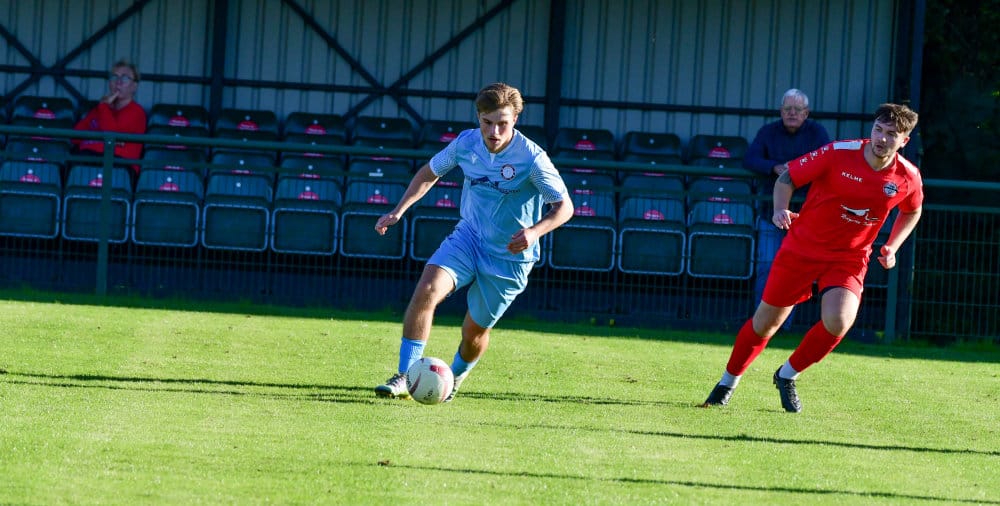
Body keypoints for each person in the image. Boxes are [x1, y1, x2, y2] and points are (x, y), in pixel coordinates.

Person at [702, 103, 922, 412]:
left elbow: (912, 210)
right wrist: (780, 209)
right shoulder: (838, 152)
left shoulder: (908, 176)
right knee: (765, 324)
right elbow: (786, 178)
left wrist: (893, 246)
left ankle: (787, 375)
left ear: (904, 141)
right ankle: (728, 382)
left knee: (839, 322)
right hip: (802, 248)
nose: (882, 138)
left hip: (848, 258)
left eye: (891, 134)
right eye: (878, 129)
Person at [373, 82, 574, 402]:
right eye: (487, 122)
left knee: (473, 333)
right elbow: (429, 172)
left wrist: (534, 232)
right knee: (427, 289)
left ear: (515, 120)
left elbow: (564, 207)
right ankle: (405, 375)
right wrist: (398, 210)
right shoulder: (466, 143)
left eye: (502, 123)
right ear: (478, 117)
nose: (494, 131)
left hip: (509, 257)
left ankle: (454, 377)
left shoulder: (532, 158)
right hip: (468, 238)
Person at [744, 89, 830, 326]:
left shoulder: (817, 133)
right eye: (788, 109)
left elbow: (828, 162)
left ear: (806, 113)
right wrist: (774, 167)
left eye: (797, 110)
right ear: (781, 111)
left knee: (796, 271)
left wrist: (801, 169)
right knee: (766, 266)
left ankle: (784, 325)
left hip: (806, 216)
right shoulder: (767, 132)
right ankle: (759, 323)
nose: (792, 113)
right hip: (770, 214)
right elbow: (750, 159)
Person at [73, 59, 147, 177]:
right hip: (88, 160)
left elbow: (111, 133)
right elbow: (75, 136)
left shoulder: (137, 112)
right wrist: (103, 108)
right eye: (114, 77)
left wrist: (103, 107)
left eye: (125, 78)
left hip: (119, 166)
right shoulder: (100, 109)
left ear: (134, 86)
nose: (118, 82)